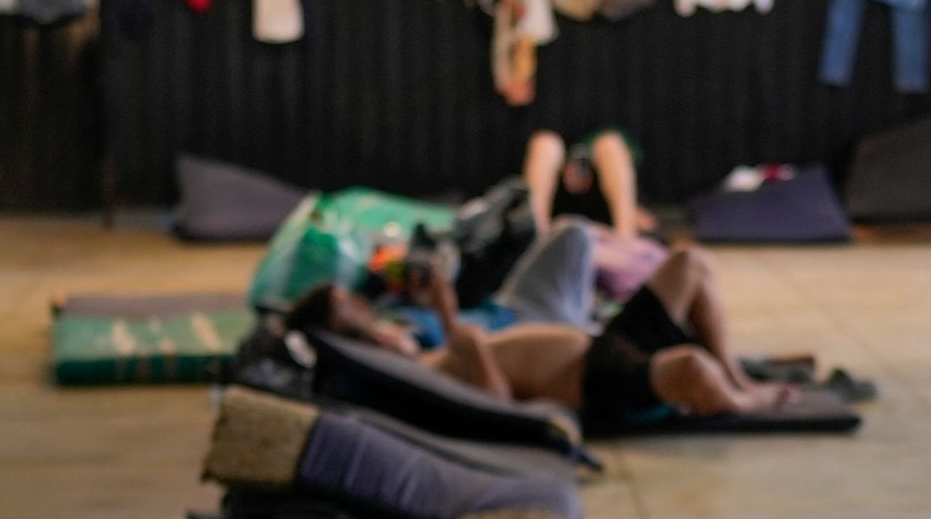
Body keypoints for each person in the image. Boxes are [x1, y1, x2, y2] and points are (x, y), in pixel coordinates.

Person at [290, 244, 805, 427]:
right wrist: (459, 334)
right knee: (693, 367)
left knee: (690, 263)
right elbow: (494, 405)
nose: (358, 303)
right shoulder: (404, 372)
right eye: (345, 304)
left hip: (602, 342)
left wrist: (445, 320)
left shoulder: (405, 343)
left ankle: (736, 376)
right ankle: (742, 402)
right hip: (597, 380)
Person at [522, 127, 650, 238]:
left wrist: (636, 208)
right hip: (553, 216)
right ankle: (535, 235)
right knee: (545, 144)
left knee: (610, 143)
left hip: (606, 217)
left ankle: (626, 236)